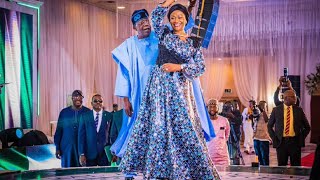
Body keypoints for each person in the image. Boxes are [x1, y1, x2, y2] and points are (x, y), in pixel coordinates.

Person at [119, 1, 219, 179]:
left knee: (185, 127)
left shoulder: (194, 43)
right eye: (172, 17)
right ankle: (159, 171)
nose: (176, 20)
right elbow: (156, 17)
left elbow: (200, 68)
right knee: (158, 127)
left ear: (186, 20)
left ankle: (190, 170)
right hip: (159, 88)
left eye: (180, 17)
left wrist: (178, 67)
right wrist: (168, 2)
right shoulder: (164, 33)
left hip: (181, 91)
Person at [110, 8, 159, 159]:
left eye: (146, 21)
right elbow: (123, 74)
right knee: (137, 125)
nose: (145, 24)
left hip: (159, 91)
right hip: (138, 93)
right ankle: (137, 159)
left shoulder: (159, 38)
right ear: (134, 27)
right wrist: (125, 100)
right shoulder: (128, 45)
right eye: (141, 22)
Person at [268, 89, 310, 166]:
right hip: (281, 143)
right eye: (293, 97)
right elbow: (269, 126)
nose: (295, 99)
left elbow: (307, 127)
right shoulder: (276, 110)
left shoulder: (299, 110)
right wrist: (275, 138)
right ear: (286, 98)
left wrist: (301, 137)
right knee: (281, 167)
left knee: (296, 167)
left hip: (295, 142)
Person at [54, 90, 90, 168]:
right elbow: (58, 131)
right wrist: (57, 148)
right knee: (67, 172)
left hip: (82, 150)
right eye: (75, 96)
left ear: (82, 98)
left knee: (82, 173)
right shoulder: (64, 112)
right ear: (72, 98)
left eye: (80, 96)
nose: (78, 98)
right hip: (67, 149)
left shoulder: (88, 112)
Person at [78, 94, 113, 166]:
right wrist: (82, 153)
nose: (98, 103)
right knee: (90, 176)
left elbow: (112, 135)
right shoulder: (85, 116)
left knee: (105, 176)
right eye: (95, 101)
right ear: (91, 103)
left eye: (100, 101)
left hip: (105, 154)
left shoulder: (109, 116)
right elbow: (81, 137)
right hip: (89, 154)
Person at [207, 99, 230, 166]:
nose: (212, 108)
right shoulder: (205, 122)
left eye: (214, 106)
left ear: (218, 108)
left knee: (225, 176)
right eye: (210, 106)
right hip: (209, 157)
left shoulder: (224, 120)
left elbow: (227, 135)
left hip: (223, 158)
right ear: (207, 108)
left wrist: (220, 144)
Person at [221, 101, 243, 165]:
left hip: (235, 135)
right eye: (226, 107)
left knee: (235, 152)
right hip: (225, 137)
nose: (228, 109)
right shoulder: (222, 115)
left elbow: (240, 122)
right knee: (226, 151)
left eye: (229, 107)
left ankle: (236, 165)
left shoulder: (237, 113)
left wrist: (232, 116)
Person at [253, 101, 270, 166]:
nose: (261, 106)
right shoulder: (257, 113)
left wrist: (263, 110)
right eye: (260, 105)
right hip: (256, 137)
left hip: (264, 138)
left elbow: (266, 120)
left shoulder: (267, 114)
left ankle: (266, 169)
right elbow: (253, 117)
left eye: (263, 105)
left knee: (264, 156)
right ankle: (261, 169)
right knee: (258, 155)